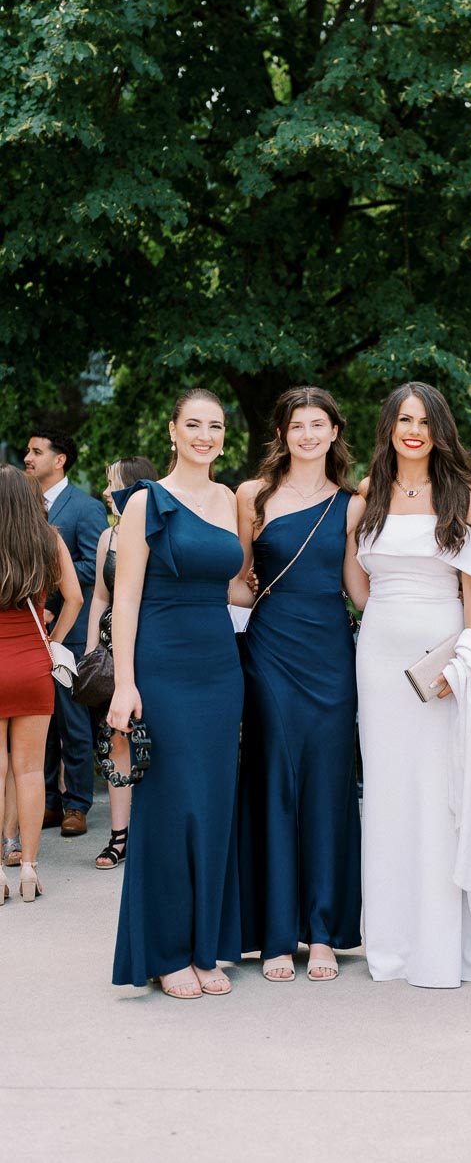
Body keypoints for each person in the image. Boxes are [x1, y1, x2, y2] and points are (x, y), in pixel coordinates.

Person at [352, 382, 471, 987]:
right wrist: (384, 622)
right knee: (389, 796)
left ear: (439, 428)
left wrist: (459, 662)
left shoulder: (461, 495)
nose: (412, 429)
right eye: (403, 418)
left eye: (423, 420)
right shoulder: (368, 495)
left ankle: (443, 943)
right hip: (380, 657)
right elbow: (359, 582)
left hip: (443, 657)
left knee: (439, 795)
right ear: (389, 426)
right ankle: (391, 945)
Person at [107, 389, 247, 997]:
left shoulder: (227, 499)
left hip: (220, 664)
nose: (205, 435)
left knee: (213, 806)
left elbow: (237, 587)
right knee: (169, 806)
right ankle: (164, 952)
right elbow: (126, 599)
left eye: (215, 426)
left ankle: (205, 945)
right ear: (172, 431)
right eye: (193, 424)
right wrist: (125, 682)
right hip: (163, 664)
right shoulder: (145, 502)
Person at [236, 386, 365, 983]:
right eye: (296, 425)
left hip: (332, 656)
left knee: (327, 787)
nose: (307, 434)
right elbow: (239, 583)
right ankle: (276, 934)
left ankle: (323, 930)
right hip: (270, 652)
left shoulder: (354, 503)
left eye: (318, 424)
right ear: (282, 434)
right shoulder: (252, 497)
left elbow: (357, 590)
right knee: (275, 783)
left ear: (334, 432)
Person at [0, 466, 82, 904]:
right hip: (33, 662)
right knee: (30, 771)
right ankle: (29, 868)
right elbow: (75, 597)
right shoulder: (49, 538)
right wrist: (53, 640)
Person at [24, 429, 107, 836]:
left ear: (60, 460)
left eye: (36, 452)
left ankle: (77, 804)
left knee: (73, 723)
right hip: (30, 633)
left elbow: (93, 566)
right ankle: (49, 803)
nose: (27, 457)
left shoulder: (86, 508)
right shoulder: (25, 508)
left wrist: (52, 594)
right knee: (43, 723)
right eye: (27, 450)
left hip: (70, 632)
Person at [84, 456, 159, 869]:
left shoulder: (162, 531)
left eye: (112, 484)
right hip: (113, 651)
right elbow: (100, 596)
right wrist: (92, 651)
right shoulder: (106, 539)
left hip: (156, 642)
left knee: (158, 739)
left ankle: (153, 831)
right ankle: (119, 836)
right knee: (116, 740)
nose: (106, 492)